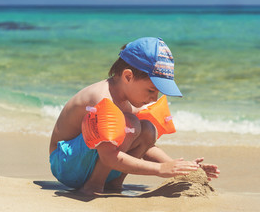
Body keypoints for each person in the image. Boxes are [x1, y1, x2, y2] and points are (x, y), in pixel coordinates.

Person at [49, 37, 220, 195]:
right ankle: (93, 186)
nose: (154, 98)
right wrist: (160, 170)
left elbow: (146, 146)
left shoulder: (129, 101)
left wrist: (180, 168)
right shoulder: (101, 98)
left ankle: (114, 183)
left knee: (147, 129)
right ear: (128, 76)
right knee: (130, 124)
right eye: (151, 90)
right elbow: (109, 156)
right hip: (66, 165)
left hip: (89, 161)